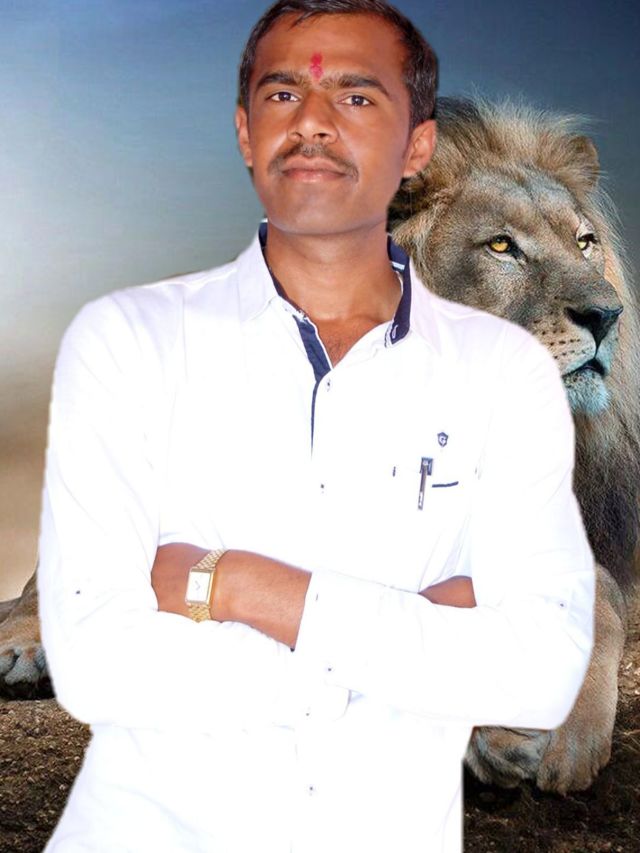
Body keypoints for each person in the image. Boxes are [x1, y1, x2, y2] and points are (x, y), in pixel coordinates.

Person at [37, 1, 595, 851]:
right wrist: (420, 633)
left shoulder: (509, 374)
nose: (315, 124)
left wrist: (234, 585)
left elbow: (540, 672)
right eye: (283, 94)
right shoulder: (124, 340)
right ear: (244, 130)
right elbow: (96, 663)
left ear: (417, 148)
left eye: (358, 97)